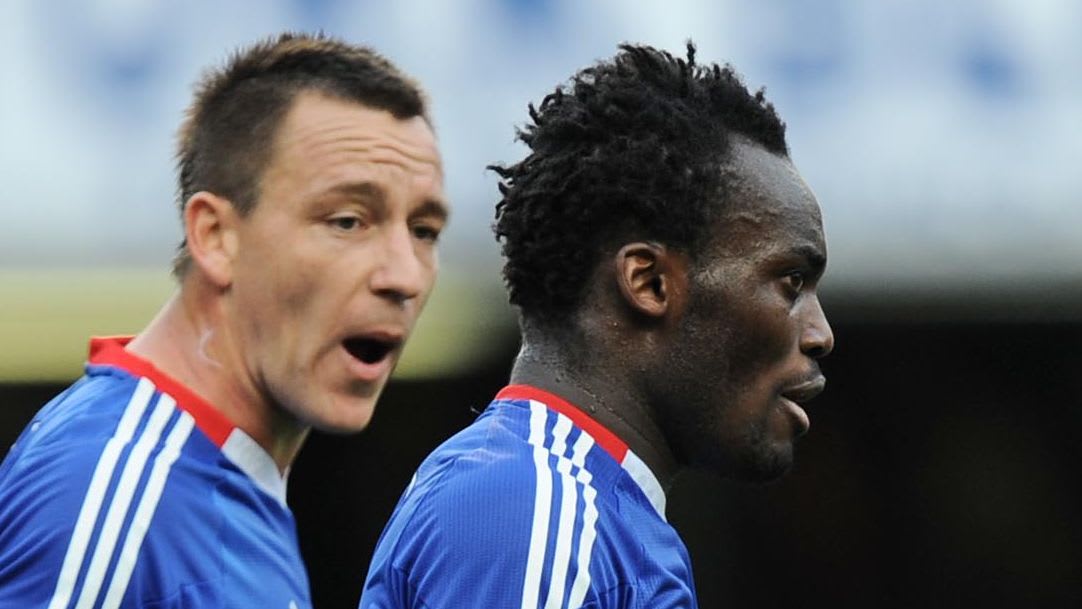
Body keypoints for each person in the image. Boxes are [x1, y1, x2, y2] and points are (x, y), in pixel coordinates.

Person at [360, 42, 833, 609]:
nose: (820, 333)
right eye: (791, 282)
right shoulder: (535, 508)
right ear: (649, 283)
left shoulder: (579, 512)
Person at [0, 32, 448, 608]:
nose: (404, 276)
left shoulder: (229, 483)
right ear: (215, 237)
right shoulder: (118, 496)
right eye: (346, 221)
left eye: (424, 231)